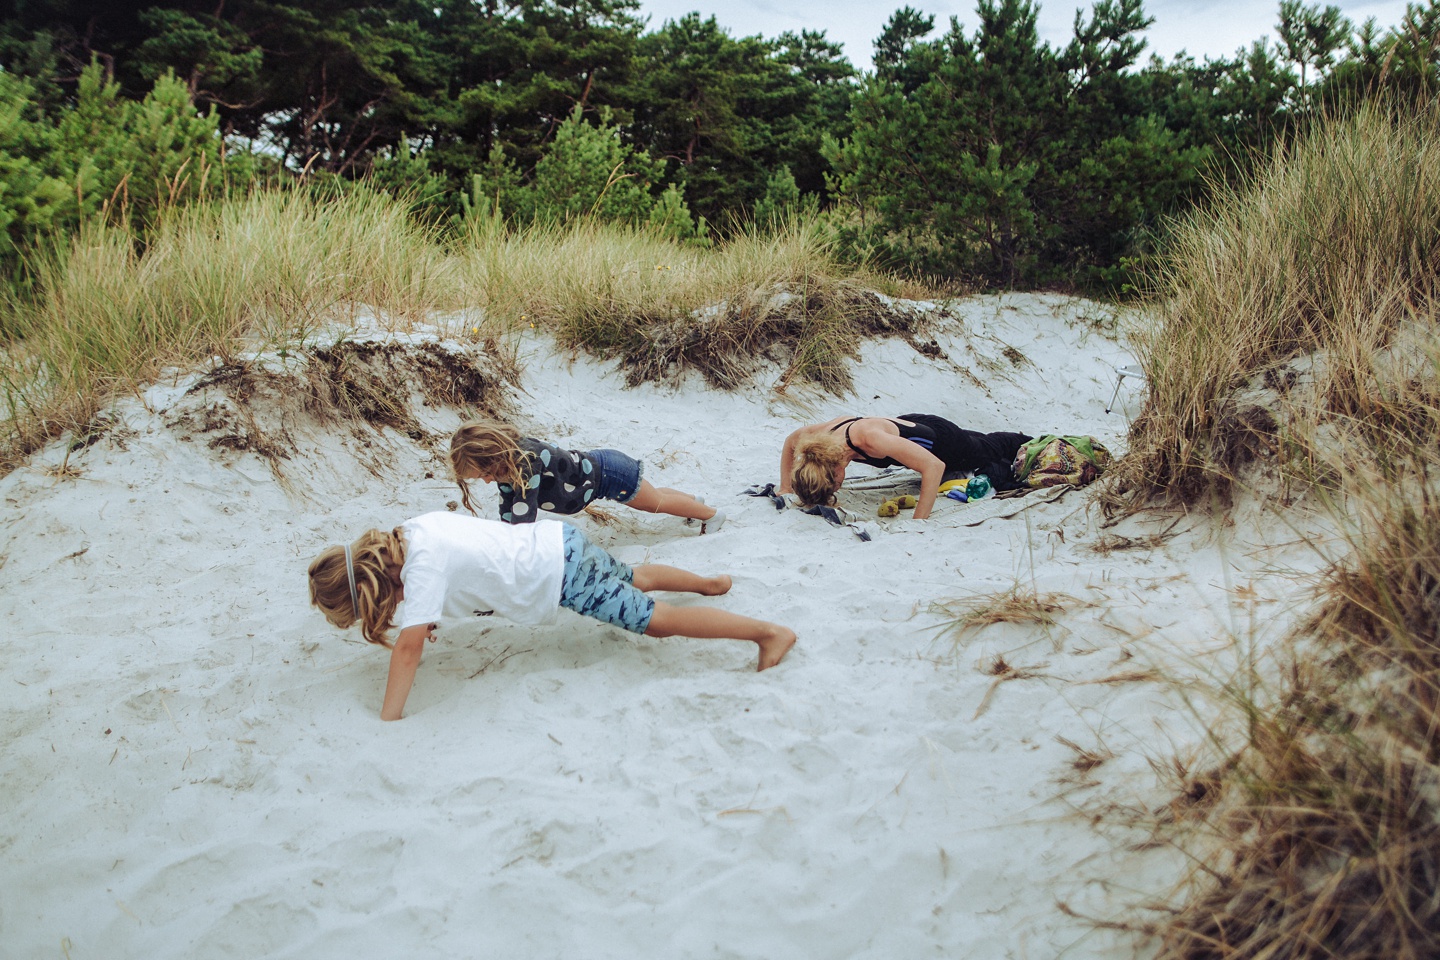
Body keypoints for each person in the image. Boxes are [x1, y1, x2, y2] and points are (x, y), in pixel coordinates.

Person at [308, 512, 795, 720]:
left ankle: (767, 634)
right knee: (632, 575)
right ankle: (710, 584)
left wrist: (389, 718)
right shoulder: (413, 533)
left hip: (558, 577)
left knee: (658, 620)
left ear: (371, 591)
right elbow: (469, 558)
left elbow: (408, 651)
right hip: (557, 540)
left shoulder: (421, 571)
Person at [450, 420, 725, 532]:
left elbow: (524, 514)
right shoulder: (508, 469)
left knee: (655, 504)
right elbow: (508, 507)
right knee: (655, 495)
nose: (486, 480)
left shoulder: (526, 462)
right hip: (604, 468)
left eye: (484, 473)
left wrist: (513, 544)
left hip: (608, 474)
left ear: (493, 457)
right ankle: (694, 501)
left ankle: (710, 514)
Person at [779, 414, 1032, 520]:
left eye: (835, 485)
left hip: (943, 442)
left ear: (834, 470)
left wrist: (918, 521)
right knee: (981, 441)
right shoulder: (820, 439)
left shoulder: (869, 440)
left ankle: (1031, 440)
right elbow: (790, 441)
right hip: (912, 425)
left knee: (987, 450)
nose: (839, 486)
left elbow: (934, 466)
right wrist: (785, 486)